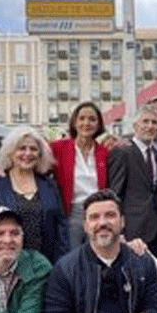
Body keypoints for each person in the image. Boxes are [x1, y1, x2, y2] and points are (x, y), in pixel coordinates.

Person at [43, 189, 157, 313]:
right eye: (94, 217)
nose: (102, 223)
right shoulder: (65, 268)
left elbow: (154, 309)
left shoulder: (142, 261)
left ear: (122, 221)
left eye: (110, 215)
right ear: (85, 226)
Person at [0, 126, 69, 265]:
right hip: (4, 268)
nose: (27, 153)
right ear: (10, 152)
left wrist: (61, 266)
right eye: (21, 148)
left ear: (40, 154)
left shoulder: (49, 185)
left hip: (45, 268)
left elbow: (61, 228)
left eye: (33, 149)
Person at [50, 101, 109, 246]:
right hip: (72, 212)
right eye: (82, 118)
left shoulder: (105, 152)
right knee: (73, 256)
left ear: (98, 124)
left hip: (98, 212)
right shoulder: (58, 148)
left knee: (97, 253)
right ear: (74, 122)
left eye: (92, 119)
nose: (86, 123)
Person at [109, 105, 157, 252]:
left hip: (155, 229)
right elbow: (115, 192)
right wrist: (118, 229)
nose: (149, 126)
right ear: (135, 125)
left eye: (154, 122)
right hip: (131, 229)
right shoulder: (122, 152)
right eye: (145, 121)